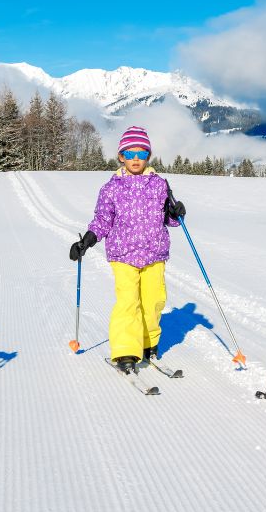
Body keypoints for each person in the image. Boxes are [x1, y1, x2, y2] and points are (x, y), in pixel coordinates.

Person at [69, 126, 186, 374]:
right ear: (121, 156)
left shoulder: (160, 185)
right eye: (130, 153)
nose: (136, 158)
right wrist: (88, 240)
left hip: (154, 253)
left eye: (142, 153)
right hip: (123, 255)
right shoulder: (111, 188)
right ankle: (124, 350)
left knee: (154, 301)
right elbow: (102, 219)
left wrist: (176, 213)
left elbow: (170, 219)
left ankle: (147, 344)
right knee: (128, 302)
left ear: (148, 157)